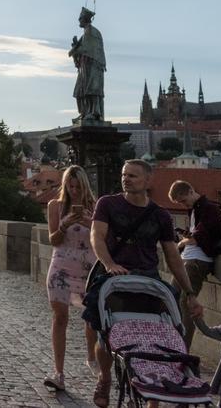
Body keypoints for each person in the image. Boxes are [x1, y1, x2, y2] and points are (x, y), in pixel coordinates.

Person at [83, 159, 204, 408]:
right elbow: (97, 236)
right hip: (113, 277)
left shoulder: (160, 215)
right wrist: (108, 264)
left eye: (133, 176)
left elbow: (172, 255)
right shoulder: (108, 203)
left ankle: (153, 395)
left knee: (157, 336)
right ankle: (104, 378)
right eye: (124, 175)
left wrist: (190, 293)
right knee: (106, 334)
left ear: (148, 181)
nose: (126, 179)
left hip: (148, 280)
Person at [43, 165, 98, 392]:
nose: (74, 191)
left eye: (78, 186)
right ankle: (59, 373)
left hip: (89, 269)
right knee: (60, 317)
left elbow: (105, 239)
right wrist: (65, 224)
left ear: (85, 186)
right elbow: (54, 240)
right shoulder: (55, 206)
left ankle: (92, 360)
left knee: (92, 320)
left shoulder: (96, 207)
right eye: (70, 186)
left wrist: (90, 224)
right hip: (61, 266)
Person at [168, 179, 221, 349]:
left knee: (187, 304)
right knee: (170, 296)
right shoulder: (197, 208)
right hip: (188, 260)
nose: (184, 205)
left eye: (184, 200)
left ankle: (182, 350)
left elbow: (198, 238)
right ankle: (174, 342)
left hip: (197, 262)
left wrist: (181, 243)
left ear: (191, 191)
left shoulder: (209, 208)